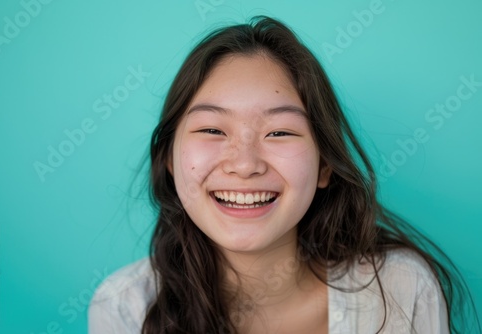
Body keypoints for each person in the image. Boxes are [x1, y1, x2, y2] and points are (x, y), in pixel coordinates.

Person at [88, 16, 480, 333]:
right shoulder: (124, 309)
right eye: (211, 130)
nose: (244, 164)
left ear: (326, 164)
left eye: (279, 132)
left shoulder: (401, 289)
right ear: (170, 160)